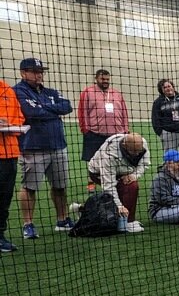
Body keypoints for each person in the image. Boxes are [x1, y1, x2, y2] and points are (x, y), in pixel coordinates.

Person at [14, 57, 75, 237]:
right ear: (23, 73)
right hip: (33, 148)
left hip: (58, 146)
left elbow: (67, 107)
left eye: (41, 71)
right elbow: (31, 112)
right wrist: (52, 109)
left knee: (60, 186)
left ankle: (62, 219)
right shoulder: (18, 91)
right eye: (35, 71)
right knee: (29, 187)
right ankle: (28, 224)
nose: (39, 75)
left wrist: (45, 107)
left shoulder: (50, 91)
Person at [86, 132, 149, 233]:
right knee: (124, 190)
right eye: (134, 151)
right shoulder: (109, 154)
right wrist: (119, 206)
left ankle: (127, 221)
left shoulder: (142, 144)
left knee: (131, 185)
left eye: (139, 150)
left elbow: (144, 164)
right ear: (124, 145)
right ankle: (126, 221)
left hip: (124, 172)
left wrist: (134, 176)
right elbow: (108, 186)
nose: (137, 154)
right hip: (98, 173)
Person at [77, 69, 129, 183]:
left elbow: (124, 112)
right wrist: (85, 129)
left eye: (107, 79)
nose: (105, 81)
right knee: (92, 160)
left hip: (116, 134)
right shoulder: (88, 92)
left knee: (116, 159)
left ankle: (116, 181)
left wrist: (125, 129)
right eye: (102, 79)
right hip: (95, 133)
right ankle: (91, 183)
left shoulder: (116, 94)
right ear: (96, 79)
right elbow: (82, 111)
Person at [0, 75, 26, 253]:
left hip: (9, 153)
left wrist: (10, 124)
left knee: (4, 198)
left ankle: (0, 236)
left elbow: (20, 118)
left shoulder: (8, 90)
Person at [151, 78, 179, 156]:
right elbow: (155, 119)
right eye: (164, 87)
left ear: (173, 87)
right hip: (169, 133)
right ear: (161, 90)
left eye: (169, 86)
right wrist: (161, 133)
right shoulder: (158, 102)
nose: (168, 88)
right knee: (170, 158)